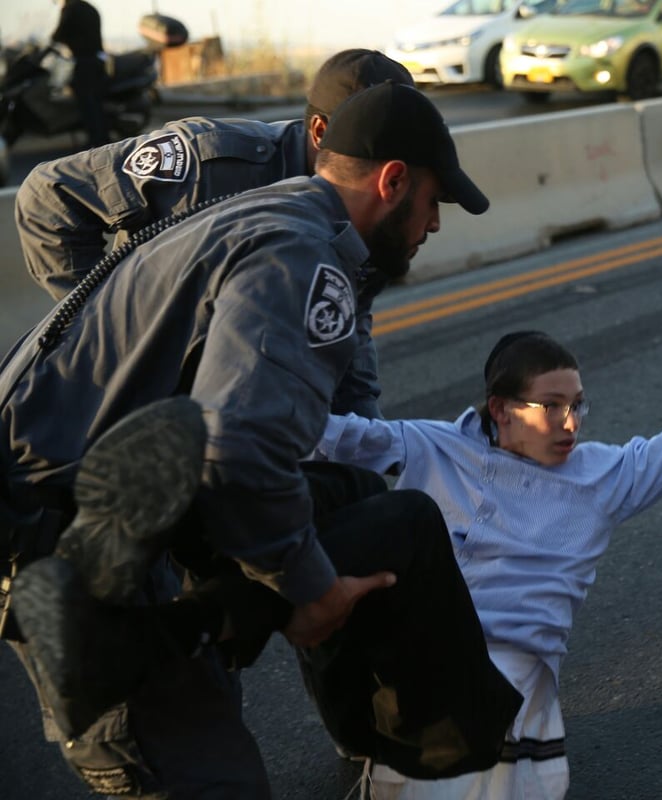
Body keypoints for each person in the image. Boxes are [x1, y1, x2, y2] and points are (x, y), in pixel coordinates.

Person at [1, 81, 521, 797]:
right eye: (435, 202)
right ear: (392, 180)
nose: (434, 225)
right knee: (213, 779)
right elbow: (241, 455)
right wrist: (313, 592)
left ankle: (203, 630)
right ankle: (134, 644)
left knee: (371, 504)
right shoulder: (302, 257)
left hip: (111, 501)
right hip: (63, 541)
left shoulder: (273, 213)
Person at [315, 321, 662, 798]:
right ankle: (357, 728)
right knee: (322, 524)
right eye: (551, 406)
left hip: (513, 673)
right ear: (500, 409)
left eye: (577, 405)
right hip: (418, 663)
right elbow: (326, 437)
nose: (571, 423)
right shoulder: (431, 447)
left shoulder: (604, 476)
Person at [15, 47, 413, 417]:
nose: (387, 177)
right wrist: (112, 334)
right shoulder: (214, 164)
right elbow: (49, 194)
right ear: (321, 132)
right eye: (373, 151)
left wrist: (368, 434)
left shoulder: (374, 207)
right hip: (119, 405)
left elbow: (346, 327)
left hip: (234, 397)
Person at [50, 0, 108, 148]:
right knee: (95, 101)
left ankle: (96, 140)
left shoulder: (70, 9)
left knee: (87, 102)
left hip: (83, 61)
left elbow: (58, 34)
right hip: (96, 60)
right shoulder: (89, 8)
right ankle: (101, 137)